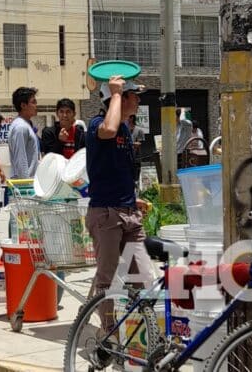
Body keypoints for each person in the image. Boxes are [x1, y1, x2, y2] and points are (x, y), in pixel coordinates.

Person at [86, 76, 148, 330]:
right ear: (119, 99)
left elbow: (118, 170)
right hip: (107, 214)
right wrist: (115, 93)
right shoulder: (98, 124)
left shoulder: (123, 128)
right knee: (107, 281)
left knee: (144, 277)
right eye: (134, 95)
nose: (138, 100)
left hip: (129, 214)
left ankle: (143, 331)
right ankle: (109, 335)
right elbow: (107, 131)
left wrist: (134, 199)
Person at [9, 87, 40, 179]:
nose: (36, 105)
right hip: (26, 186)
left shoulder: (25, 125)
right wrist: (25, 185)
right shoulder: (21, 127)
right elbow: (20, 159)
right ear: (23, 105)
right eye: (33, 102)